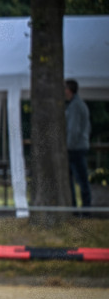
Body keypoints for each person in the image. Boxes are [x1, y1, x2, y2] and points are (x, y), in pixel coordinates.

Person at [65, 79, 92, 210]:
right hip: (80, 146)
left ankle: (83, 209)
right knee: (79, 179)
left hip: (75, 149)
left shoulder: (75, 106)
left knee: (80, 180)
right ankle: (77, 208)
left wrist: (68, 146)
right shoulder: (78, 104)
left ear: (69, 90)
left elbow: (73, 129)